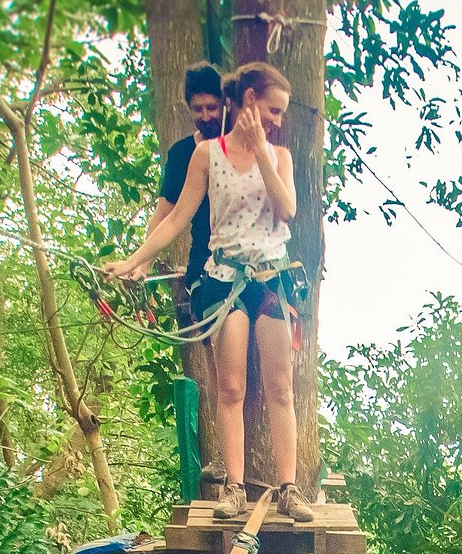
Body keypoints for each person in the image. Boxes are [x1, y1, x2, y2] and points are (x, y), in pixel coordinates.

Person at [106, 62, 310, 524]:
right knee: (231, 386)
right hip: (224, 278)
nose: (278, 120)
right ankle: (234, 487)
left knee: (280, 386)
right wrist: (135, 260)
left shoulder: (279, 156)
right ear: (249, 102)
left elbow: (288, 209)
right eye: (273, 110)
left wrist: (262, 149)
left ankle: (289, 488)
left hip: (272, 277)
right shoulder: (205, 156)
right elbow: (177, 218)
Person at [151, 61, 227, 346]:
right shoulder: (182, 154)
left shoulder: (242, 149)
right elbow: (165, 215)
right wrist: (142, 264)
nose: (206, 116)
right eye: (198, 109)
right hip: (204, 264)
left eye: (212, 107)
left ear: (224, 105)